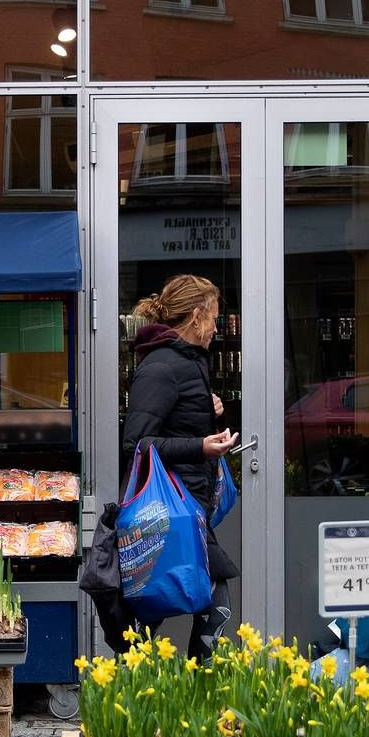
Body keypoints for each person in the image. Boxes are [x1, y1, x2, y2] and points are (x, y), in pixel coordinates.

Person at [120, 274, 239, 657]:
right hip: (170, 512)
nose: (216, 329)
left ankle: (182, 695)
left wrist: (209, 407)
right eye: (215, 318)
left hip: (190, 509)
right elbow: (136, 443)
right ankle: (150, 696)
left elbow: (175, 417)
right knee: (176, 605)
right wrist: (199, 447)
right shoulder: (161, 367)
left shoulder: (188, 362)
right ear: (196, 315)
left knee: (200, 602)